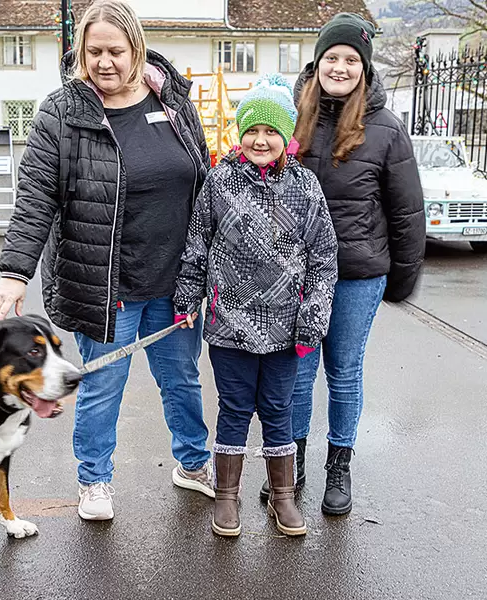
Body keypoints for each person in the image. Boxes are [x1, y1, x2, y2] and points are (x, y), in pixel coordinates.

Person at [0, 0, 213, 522]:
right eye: (93, 52)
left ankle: (193, 463)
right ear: (80, 53)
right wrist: (14, 271)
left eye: (115, 51)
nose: (104, 62)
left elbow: (201, 183)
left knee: (180, 376)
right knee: (103, 385)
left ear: (136, 48)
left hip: (175, 279)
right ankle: (94, 480)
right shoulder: (62, 113)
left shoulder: (172, 99)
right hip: (103, 282)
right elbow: (36, 195)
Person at [258, 13, 425, 515]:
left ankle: (339, 467)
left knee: (345, 372)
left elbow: (407, 212)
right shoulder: (290, 116)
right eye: (332, 56)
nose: (341, 66)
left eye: (352, 59)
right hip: (298, 276)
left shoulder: (386, 130)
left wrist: (400, 278)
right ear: (318, 61)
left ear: (365, 69)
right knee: (300, 375)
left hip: (357, 275)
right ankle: (295, 467)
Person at [174, 74, 339, 537]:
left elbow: (324, 259)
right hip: (230, 324)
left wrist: (313, 320)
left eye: (271, 132)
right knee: (233, 407)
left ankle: (281, 496)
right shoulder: (218, 183)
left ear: (286, 137)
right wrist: (188, 297)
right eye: (252, 130)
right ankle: (227, 496)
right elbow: (197, 246)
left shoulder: (306, 188)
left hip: (288, 329)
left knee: (278, 407)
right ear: (239, 133)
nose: (260, 140)